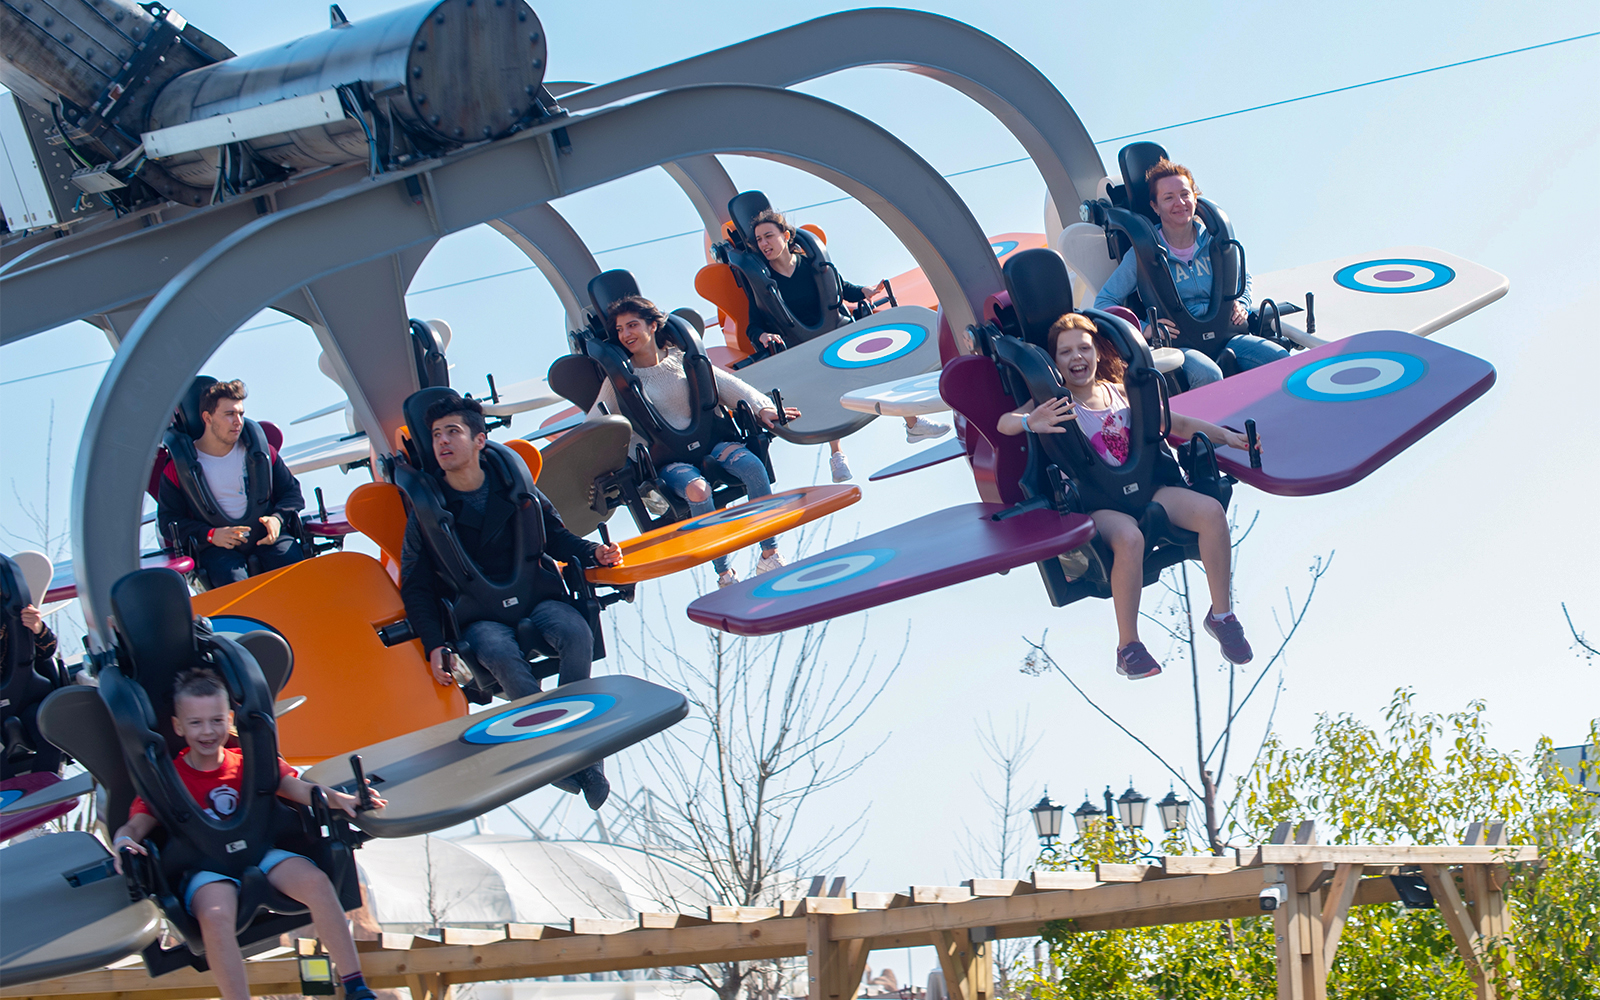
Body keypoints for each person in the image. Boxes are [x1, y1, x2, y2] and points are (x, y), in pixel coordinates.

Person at [997, 314, 1256, 680]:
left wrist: (1227, 436)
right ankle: (1128, 647)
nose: (1077, 357)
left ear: (1096, 353)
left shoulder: (1119, 390)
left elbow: (1176, 424)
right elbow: (1004, 423)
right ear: (1054, 362)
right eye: (1065, 351)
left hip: (1150, 489)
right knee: (1130, 538)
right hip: (1101, 504)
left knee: (1211, 512)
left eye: (1084, 348)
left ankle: (1222, 615)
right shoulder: (1052, 403)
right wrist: (1029, 421)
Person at [399, 394, 622, 807]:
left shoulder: (517, 487)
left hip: (536, 595)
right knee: (500, 652)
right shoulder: (426, 513)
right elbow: (415, 586)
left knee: (575, 631)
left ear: (480, 440)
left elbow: (557, 536)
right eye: (435, 435)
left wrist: (593, 552)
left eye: (453, 432)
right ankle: (552, 754)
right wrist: (434, 645)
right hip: (479, 617)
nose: (443, 442)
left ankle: (582, 753)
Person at [111, 668, 386, 1000]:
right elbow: (135, 825)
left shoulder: (249, 762)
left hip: (262, 852)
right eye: (196, 723)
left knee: (317, 883)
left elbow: (297, 788)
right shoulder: (168, 780)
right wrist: (123, 842)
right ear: (178, 727)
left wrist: (344, 799)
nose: (207, 731)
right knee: (215, 916)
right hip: (206, 866)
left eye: (215, 721)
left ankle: (355, 985)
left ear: (229, 720)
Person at [589, 295, 800, 589]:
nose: (626, 334)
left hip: (711, 443)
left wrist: (762, 407)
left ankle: (770, 553)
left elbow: (728, 385)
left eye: (633, 325)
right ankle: (724, 573)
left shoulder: (681, 359)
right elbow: (595, 425)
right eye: (620, 329)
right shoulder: (619, 380)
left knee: (752, 465)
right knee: (698, 491)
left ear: (653, 325)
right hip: (668, 461)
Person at [746, 209, 950, 482]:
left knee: (876, 370)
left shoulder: (810, 265)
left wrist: (866, 292)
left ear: (785, 235)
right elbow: (753, 324)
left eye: (768, 236)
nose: (763, 244)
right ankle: (837, 455)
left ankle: (913, 424)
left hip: (835, 332)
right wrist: (762, 336)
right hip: (803, 348)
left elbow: (840, 288)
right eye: (759, 239)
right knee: (829, 389)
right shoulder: (762, 282)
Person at [1092, 159, 1287, 389]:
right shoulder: (1142, 255)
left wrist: (1241, 303)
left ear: (1195, 197)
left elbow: (1244, 278)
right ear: (1155, 207)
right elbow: (1103, 303)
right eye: (1168, 197)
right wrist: (1144, 328)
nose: (1180, 203)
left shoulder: (1216, 242)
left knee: (1280, 358)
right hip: (1180, 345)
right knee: (1208, 374)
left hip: (1227, 333)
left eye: (1185, 194)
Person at [156, 379, 307, 589]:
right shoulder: (177, 469)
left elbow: (292, 493)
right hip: (217, 549)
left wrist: (277, 519)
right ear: (207, 418)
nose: (238, 421)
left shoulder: (262, 453)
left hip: (267, 538)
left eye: (240, 414)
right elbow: (168, 522)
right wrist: (210, 535)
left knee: (295, 572)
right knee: (233, 585)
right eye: (229, 414)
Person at [0, 583, 63, 778]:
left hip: (25, 696)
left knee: (50, 729)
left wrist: (37, 628)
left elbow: (47, 650)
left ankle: (47, 789)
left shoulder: (12, 617)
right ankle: (8, 799)